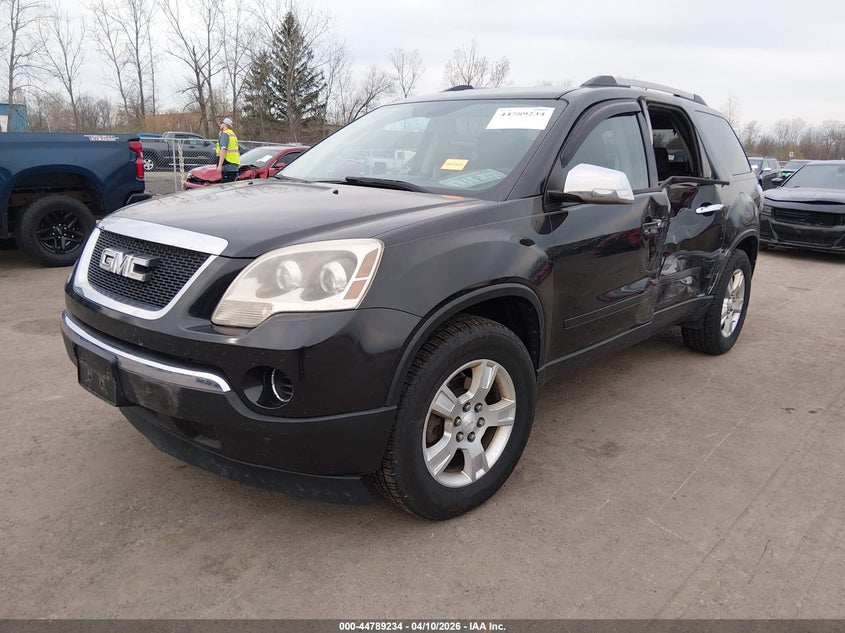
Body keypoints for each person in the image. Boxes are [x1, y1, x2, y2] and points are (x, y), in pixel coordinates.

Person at [215, 117, 240, 183]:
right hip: (234, 165)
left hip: (227, 165)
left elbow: (223, 149)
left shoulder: (225, 134)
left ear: (225, 124)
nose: (221, 125)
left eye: (222, 123)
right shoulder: (232, 134)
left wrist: (220, 165)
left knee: (226, 187)